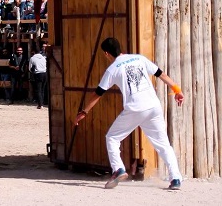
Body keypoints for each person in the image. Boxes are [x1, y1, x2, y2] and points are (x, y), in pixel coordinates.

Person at [73, 37, 183, 190]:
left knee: (112, 137)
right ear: (120, 47)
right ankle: (176, 178)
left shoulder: (112, 69)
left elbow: (98, 93)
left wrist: (84, 111)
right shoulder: (139, 58)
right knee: (164, 144)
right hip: (153, 106)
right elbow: (161, 74)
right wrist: (177, 90)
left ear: (106, 53)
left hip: (135, 108)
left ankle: (118, 169)